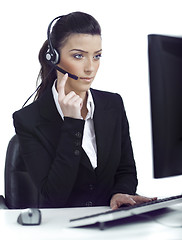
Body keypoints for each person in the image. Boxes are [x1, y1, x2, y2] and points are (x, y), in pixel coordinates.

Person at [13, 11, 155, 209]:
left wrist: (119, 193)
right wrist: (73, 123)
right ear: (53, 58)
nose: (90, 68)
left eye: (97, 56)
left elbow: (126, 170)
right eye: (78, 56)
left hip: (111, 223)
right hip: (62, 230)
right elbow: (54, 196)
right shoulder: (28, 119)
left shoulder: (113, 104)